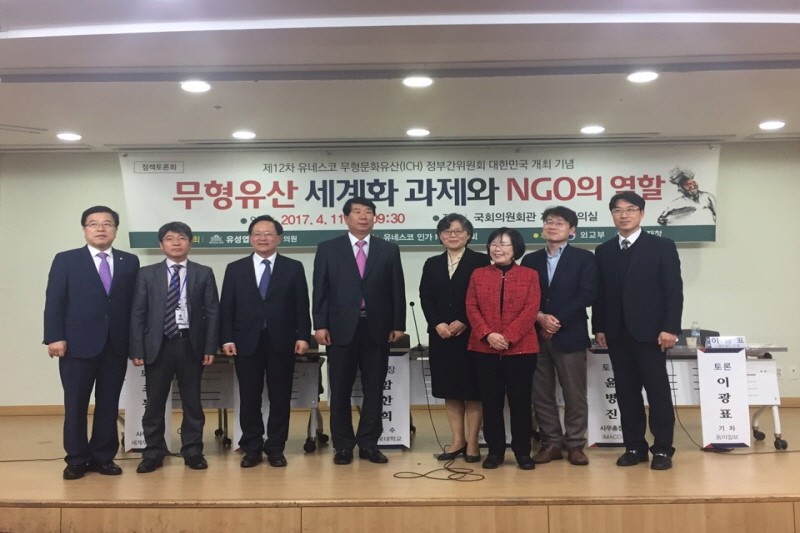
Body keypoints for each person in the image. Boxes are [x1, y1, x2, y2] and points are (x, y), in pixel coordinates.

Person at [44, 206, 140, 480]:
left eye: (107, 223)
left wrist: (136, 344)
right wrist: (54, 336)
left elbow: (135, 306)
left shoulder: (129, 261)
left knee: (108, 403)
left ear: (115, 230)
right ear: (84, 229)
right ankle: (76, 459)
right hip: (75, 345)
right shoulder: (66, 260)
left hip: (115, 345)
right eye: (94, 223)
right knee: (76, 404)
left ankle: (103, 457)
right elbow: (55, 300)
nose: (101, 228)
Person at [593, 191, 683, 471]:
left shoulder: (662, 246)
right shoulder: (604, 250)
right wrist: (598, 326)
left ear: (642, 213)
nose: (624, 215)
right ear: (612, 215)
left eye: (631, 209)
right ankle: (634, 447)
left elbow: (673, 290)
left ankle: (663, 449)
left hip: (652, 334)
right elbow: (600, 293)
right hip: (617, 333)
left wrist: (671, 327)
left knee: (657, 394)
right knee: (626, 393)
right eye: (618, 210)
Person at [312, 196, 406, 465]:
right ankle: (342, 445)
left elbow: (396, 289)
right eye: (357, 212)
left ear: (375, 218)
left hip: (377, 327)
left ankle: (368, 444)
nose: (363, 216)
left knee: (374, 389)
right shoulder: (328, 249)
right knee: (340, 389)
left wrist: (398, 324)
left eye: (368, 212)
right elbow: (320, 289)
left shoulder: (388, 250)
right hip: (339, 329)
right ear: (346, 218)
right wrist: (320, 324)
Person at [219, 215, 311, 468]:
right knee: (249, 397)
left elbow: (302, 304)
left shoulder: (293, 267)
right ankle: (252, 447)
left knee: (280, 397)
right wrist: (226, 338)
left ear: (279, 238)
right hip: (245, 341)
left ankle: (276, 448)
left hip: (282, 340)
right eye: (257, 234)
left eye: (268, 234)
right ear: (250, 238)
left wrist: (303, 335)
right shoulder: (235, 268)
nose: (262, 238)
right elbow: (226, 307)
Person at [129, 221, 219, 473]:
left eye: (181, 238)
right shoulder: (147, 274)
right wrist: (137, 348)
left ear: (190, 243)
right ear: (161, 245)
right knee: (154, 403)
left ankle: (193, 450)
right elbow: (138, 312)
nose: (176, 243)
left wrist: (210, 347)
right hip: (157, 346)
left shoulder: (203, 273)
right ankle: (153, 451)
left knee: (192, 402)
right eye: (170, 239)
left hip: (191, 344)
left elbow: (213, 312)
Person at [521, 206, 597, 466]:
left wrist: (557, 320)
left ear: (571, 230)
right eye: (548, 222)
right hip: (535, 335)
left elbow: (587, 294)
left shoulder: (584, 258)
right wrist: (539, 316)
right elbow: (523, 296)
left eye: (560, 223)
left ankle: (575, 444)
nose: (552, 226)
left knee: (574, 393)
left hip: (570, 334)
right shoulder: (530, 260)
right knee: (541, 394)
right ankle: (551, 442)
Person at [465, 228, 540, 470]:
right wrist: (488, 334)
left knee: (521, 402)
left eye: (504, 244)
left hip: (521, 349)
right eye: (494, 244)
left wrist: (508, 337)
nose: (498, 249)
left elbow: (531, 309)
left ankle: (522, 451)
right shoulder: (478, 274)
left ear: (515, 248)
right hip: (484, 348)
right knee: (491, 402)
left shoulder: (529, 275)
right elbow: (471, 306)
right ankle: (495, 451)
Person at [419, 214, 490, 463]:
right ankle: (457, 440)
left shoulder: (481, 261)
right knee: (450, 390)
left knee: (473, 390)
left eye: (459, 231)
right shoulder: (432, 263)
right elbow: (425, 296)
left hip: (472, 335)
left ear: (468, 235)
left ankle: (473, 443)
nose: (453, 235)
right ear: (440, 236)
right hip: (442, 336)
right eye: (447, 231)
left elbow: (484, 297)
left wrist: (465, 320)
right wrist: (437, 323)